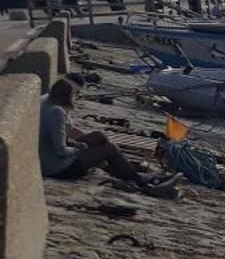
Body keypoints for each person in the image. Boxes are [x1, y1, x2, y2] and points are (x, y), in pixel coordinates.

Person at [40, 78, 176, 196]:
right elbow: (60, 150)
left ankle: (133, 176)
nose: (75, 99)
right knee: (109, 149)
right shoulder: (57, 113)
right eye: (74, 95)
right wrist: (77, 149)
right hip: (58, 167)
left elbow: (53, 138)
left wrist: (75, 144)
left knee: (98, 136)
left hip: (50, 158)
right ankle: (144, 184)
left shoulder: (46, 102)